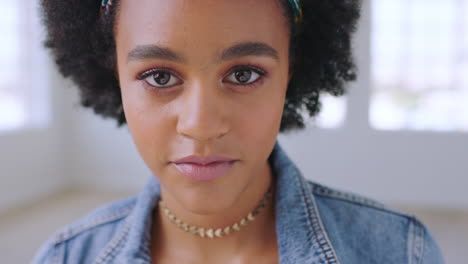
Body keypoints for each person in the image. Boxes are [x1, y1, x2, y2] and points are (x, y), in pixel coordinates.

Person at [33, 0, 445, 263]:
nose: (201, 125)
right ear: (115, 77)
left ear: (290, 74)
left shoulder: (400, 251)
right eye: (159, 77)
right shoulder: (64, 256)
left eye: (244, 74)